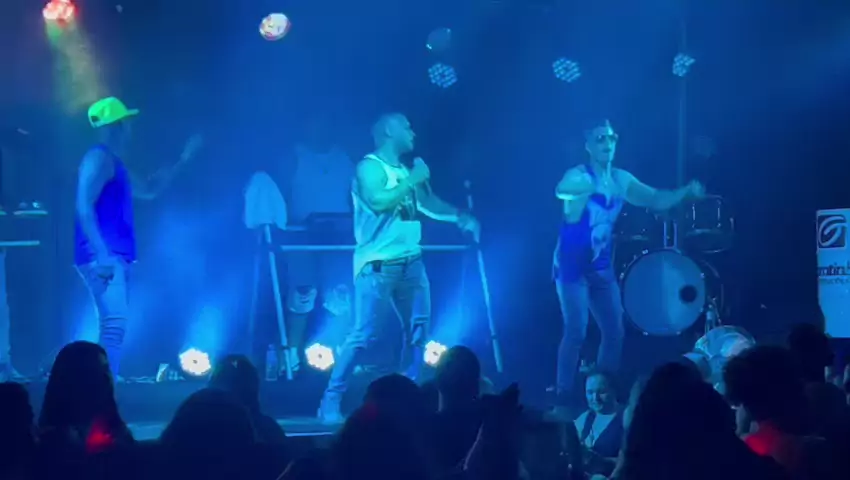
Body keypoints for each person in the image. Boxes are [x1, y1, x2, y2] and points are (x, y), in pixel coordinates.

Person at [317, 113, 480, 422]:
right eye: (406, 126)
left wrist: (460, 216)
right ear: (389, 131)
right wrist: (412, 180)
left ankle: (409, 400)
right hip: (377, 266)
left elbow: (429, 204)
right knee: (364, 334)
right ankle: (330, 399)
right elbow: (378, 201)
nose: (413, 132)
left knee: (418, 332)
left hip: (412, 262)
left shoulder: (406, 171)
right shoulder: (369, 167)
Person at [553, 119, 704, 410]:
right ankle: (562, 395)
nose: (607, 143)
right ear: (588, 145)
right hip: (572, 266)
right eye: (600, 138)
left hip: (600, 266)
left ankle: (602, 391)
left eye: (611, 138)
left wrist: (685, 191)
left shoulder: (621, 179)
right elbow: (562, 189)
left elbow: (655, 199)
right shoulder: (579, 174)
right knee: (576, 330)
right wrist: (579, 188)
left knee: (615, 331)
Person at [75, 97, 201, 377]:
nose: (131, 129)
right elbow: (84, 205)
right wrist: (101, 254)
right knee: (114, 325)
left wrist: (183, 159)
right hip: (102, 255)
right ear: (116, 126)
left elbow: (149, 190)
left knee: (113, 324)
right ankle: (103, 385)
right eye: (126, 123)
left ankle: (104, 382)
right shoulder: (98, 158)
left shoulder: (113, 162)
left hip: (112, 254)